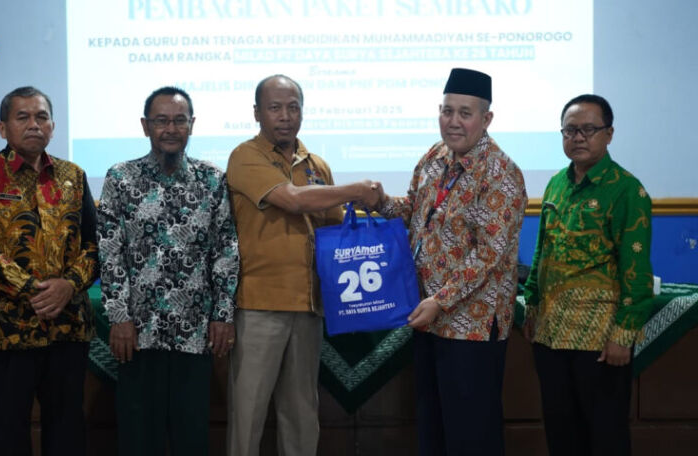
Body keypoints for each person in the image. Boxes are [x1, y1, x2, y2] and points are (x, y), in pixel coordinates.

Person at [373, 68, 527, 455]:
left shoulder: (501, 173)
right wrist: (380, 203)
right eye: (447, 111)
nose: (453, 121)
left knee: (470, 434)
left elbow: (488, 254)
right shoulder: (434, 157)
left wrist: (440, 300)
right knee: (433, 427)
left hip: (470, 325)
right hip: (428, 317)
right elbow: (414, 211)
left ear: (486, 118)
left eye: (465, 113)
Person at [225, 74, 381, 456]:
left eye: (293, 107)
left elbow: (333, 229)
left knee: (301, 416)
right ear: (257, 113)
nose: (285, 116)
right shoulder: (245, 156)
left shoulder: (317, 165)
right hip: (260, 305)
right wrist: (356, 190)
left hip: (309, 305)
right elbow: (293, 200)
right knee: (248, 415)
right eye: (275, 108)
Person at [0, 86, 98, 455]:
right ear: (2, 128)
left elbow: (94, 245)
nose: (34, 124)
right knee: (9, 428)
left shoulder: (73, 175)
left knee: (67, 426)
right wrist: (33, 289)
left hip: (68, 325)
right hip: (8, 327)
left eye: (41, 117)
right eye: (23, 117)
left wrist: (69, 285)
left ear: (53, 126)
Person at [97, 86, 239, 455]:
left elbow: (225, 250)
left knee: (192, 436)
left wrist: (222, 315)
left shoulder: (212, 180)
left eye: (179, 120)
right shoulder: (121, 178)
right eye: (161, 121)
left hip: (195, 332)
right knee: (139, 436)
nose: (171, 129)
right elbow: (110, 253)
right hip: (138, 333)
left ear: (192, 125)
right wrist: (119, 317)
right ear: (146, 126)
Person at [523, 94, 654, 456]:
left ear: (609, 134)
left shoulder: (627, 190)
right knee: (561, 435)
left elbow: (636, 268)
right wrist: (531, 303)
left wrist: (623, 335)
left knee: (605, 436)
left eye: (589, 129)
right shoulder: (556, 184)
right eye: (570, 130)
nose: (578, 137)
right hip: (550, 334)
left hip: (599, 340)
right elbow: (542, 250)